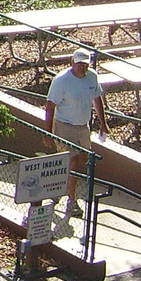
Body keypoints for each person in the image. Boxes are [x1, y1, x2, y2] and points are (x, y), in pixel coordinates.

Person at [44, 49, 109, 217]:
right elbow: (50, 106)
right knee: (72, 161)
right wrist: (48, 133)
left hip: (83, 126)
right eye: (79, 64)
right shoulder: (61, 81)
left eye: (85, 64)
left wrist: (103, 123)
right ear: (72, 63)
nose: (82, 67)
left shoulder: (91, 76)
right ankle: (72, 201)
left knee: (81, 160)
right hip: (65, 126)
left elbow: (97, 98)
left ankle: (57, 188)